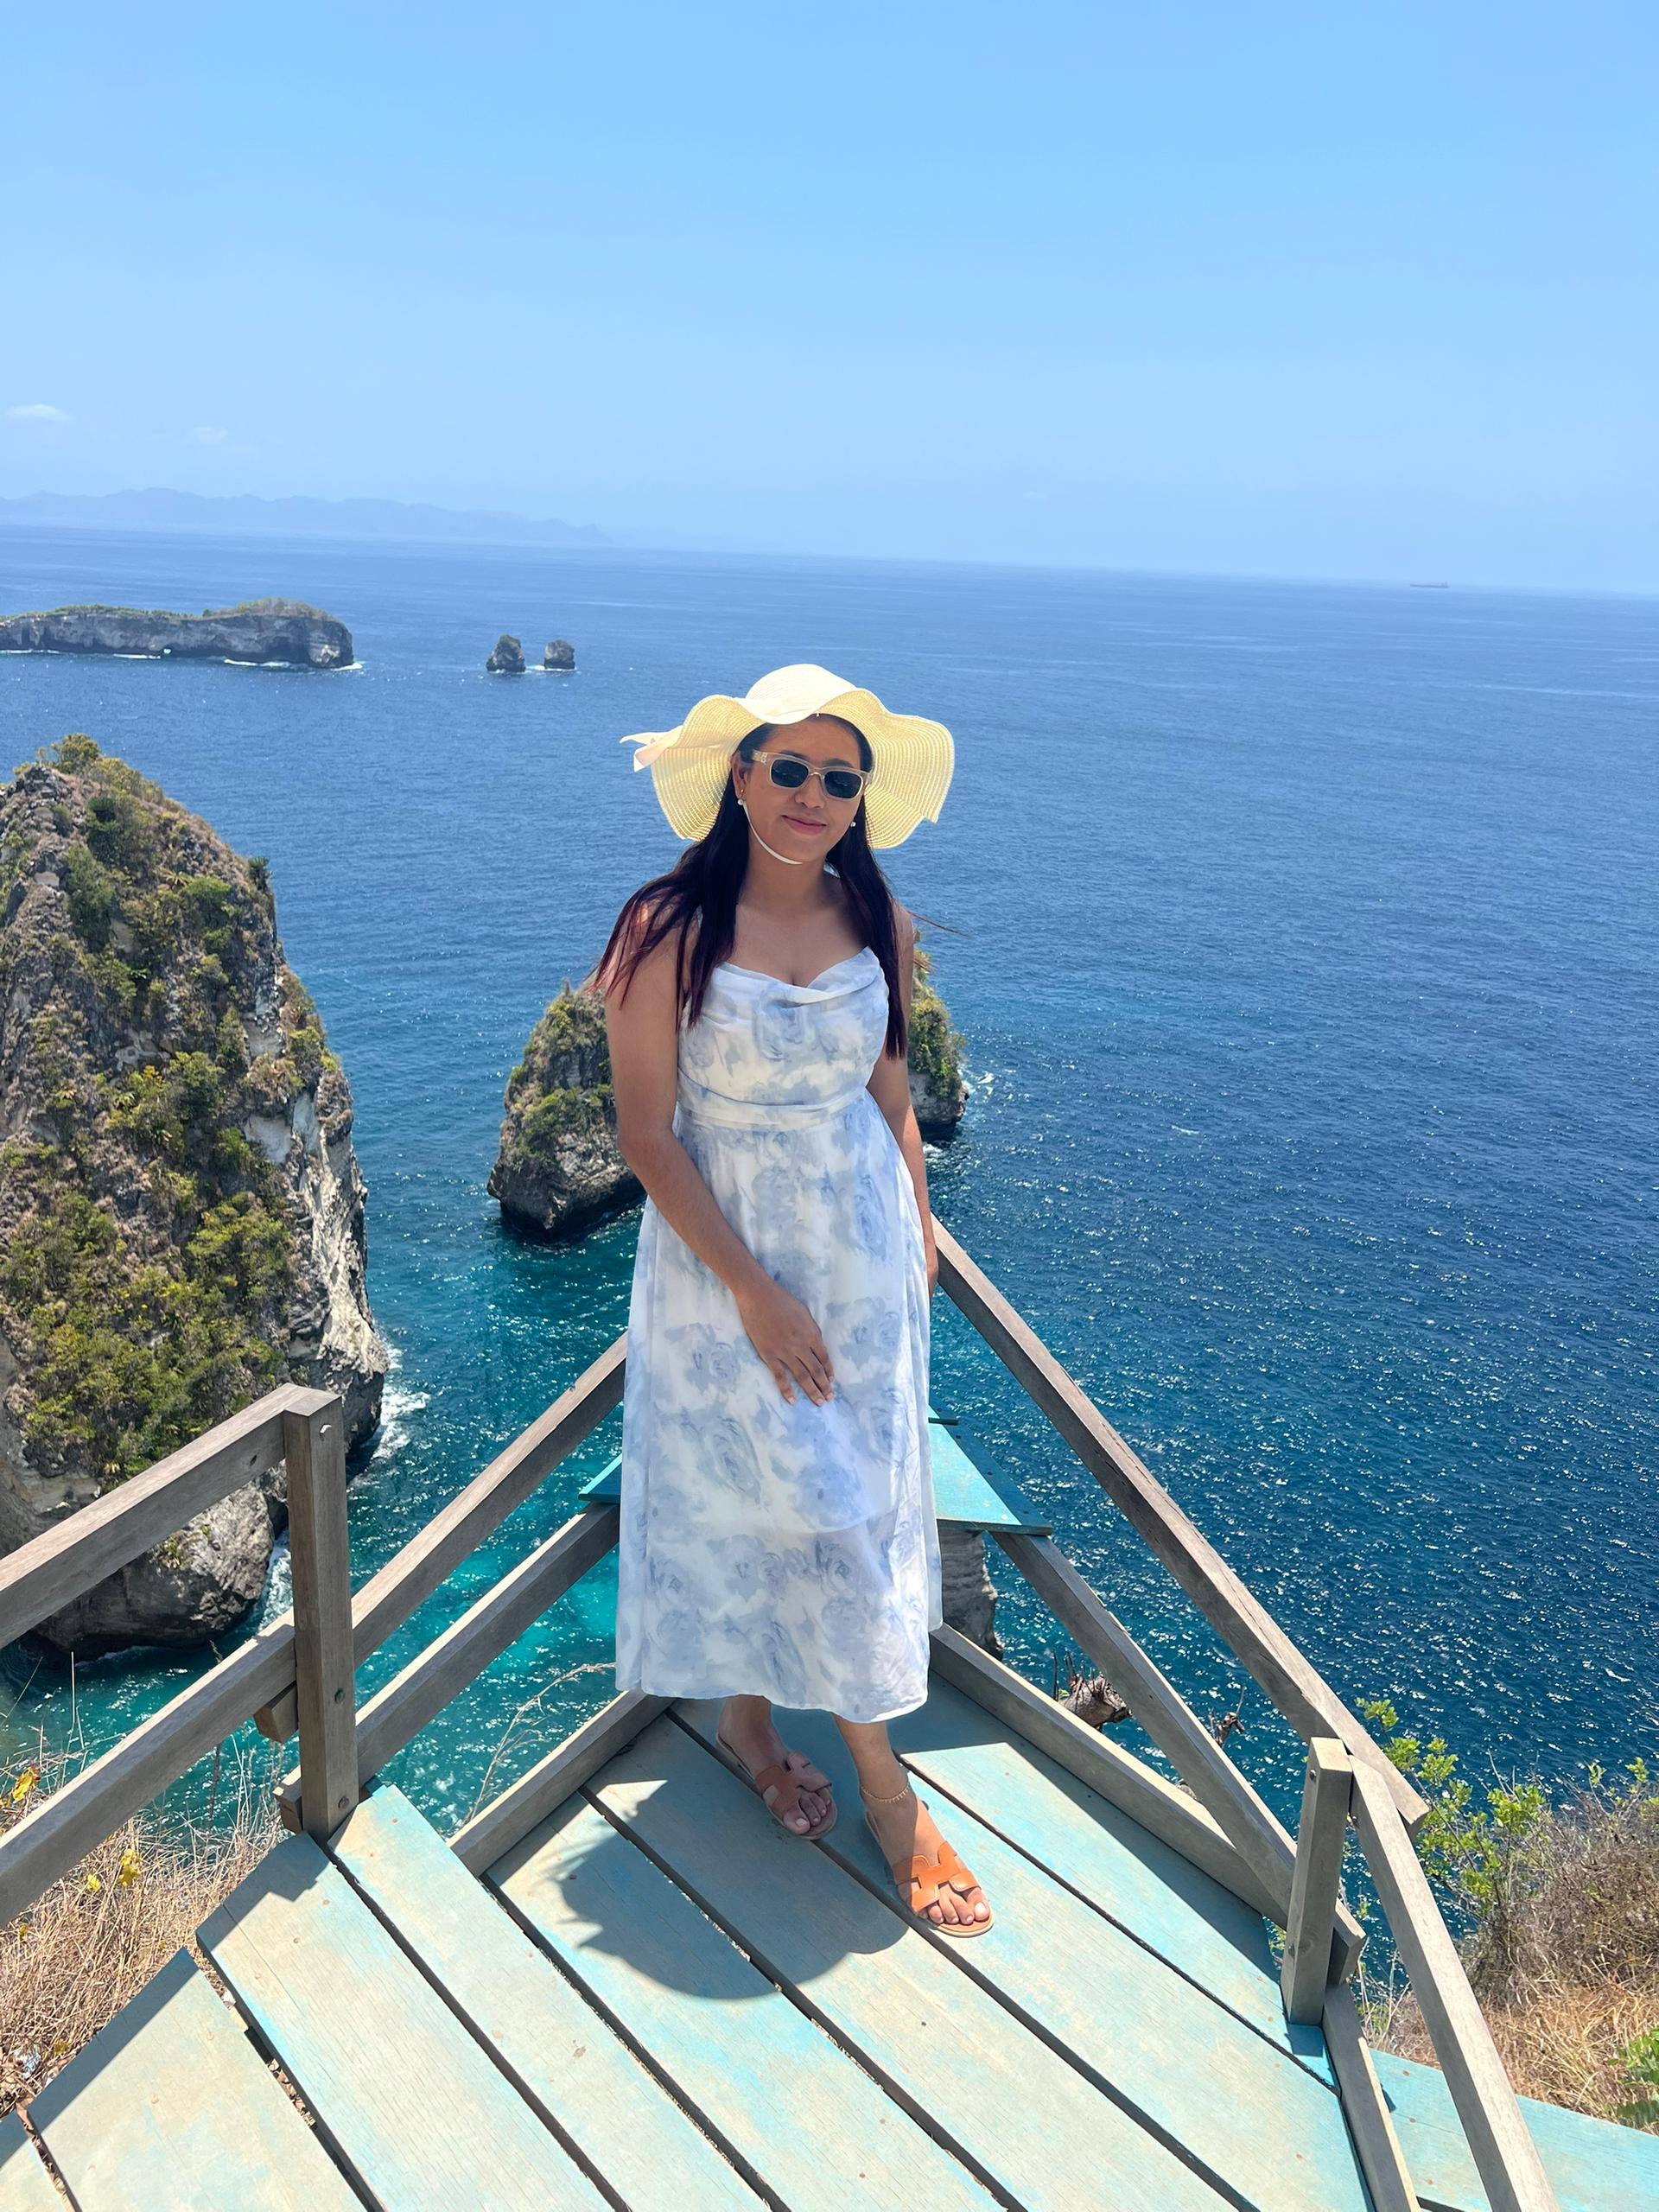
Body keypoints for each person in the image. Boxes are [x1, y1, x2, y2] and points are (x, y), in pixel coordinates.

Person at [593, 664, 994, 1936]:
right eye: (789, 768)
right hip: (728, 1269)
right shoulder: (666, 929)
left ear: (861, 797)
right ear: (739, 774)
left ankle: (753, 1724)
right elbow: (647, 1138)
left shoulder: (877, 916)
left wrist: (921, 1227)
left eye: (840, 777)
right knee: (792, 1500)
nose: (813, 795)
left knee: (841, 1497)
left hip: (862, 1262)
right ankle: (883, 1789)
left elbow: (893, 1093)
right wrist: (757, 1295)